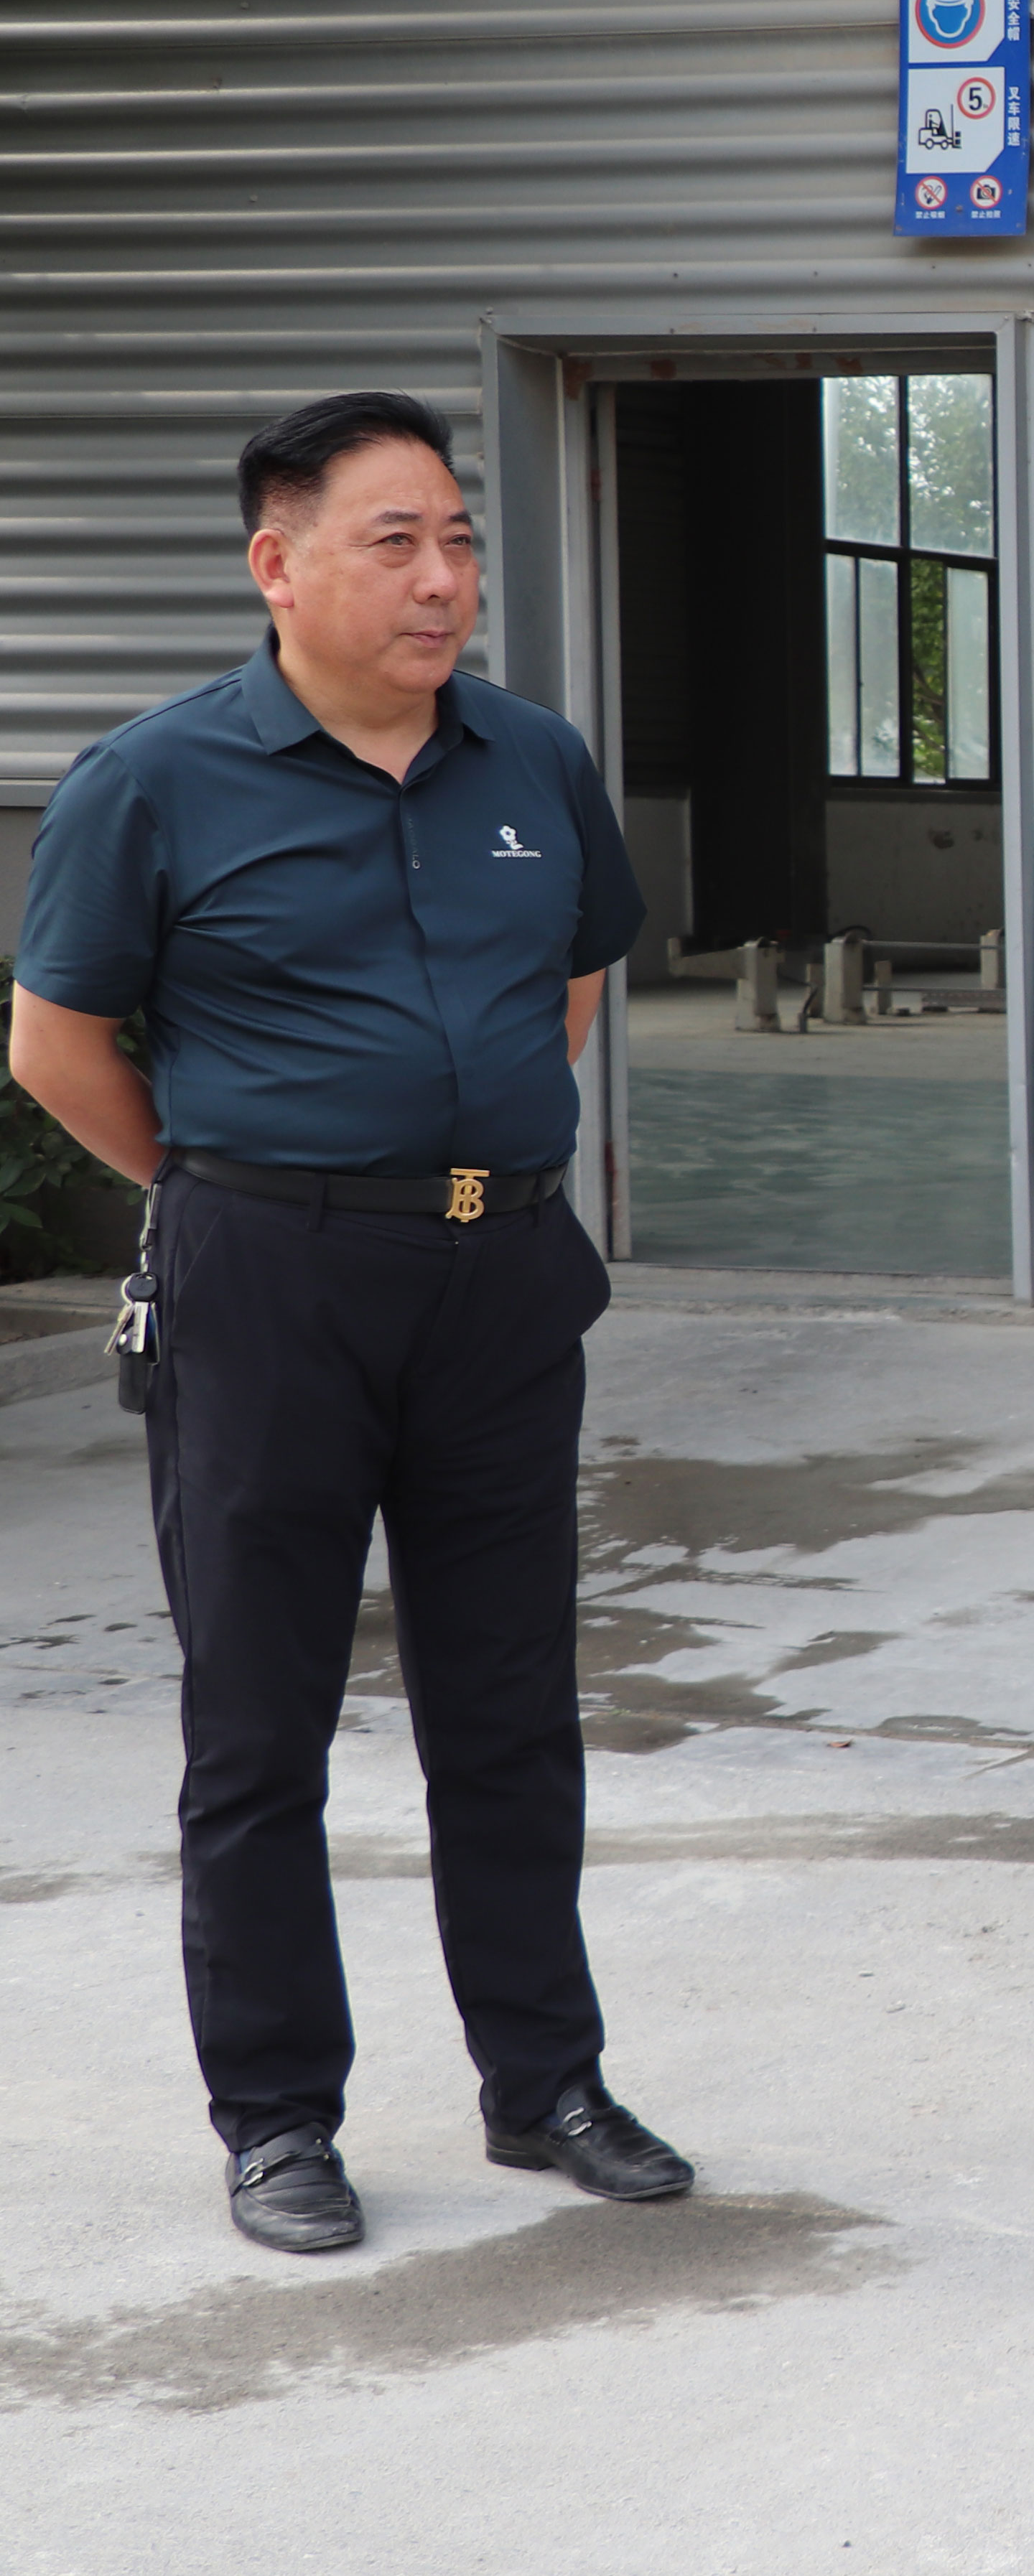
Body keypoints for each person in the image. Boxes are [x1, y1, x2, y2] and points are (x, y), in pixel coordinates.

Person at [7, 390, 691, 2255]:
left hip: (499, 1279)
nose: (444, 577)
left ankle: (545, 2079)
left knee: (509, 1706)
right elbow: (57, 1045)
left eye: (458, 540)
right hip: (268, 1289)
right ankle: (278, 2118)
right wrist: (248, 1186)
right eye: (397, 542)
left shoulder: (533, 759)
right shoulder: (153, 780)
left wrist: (452, 1158)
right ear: (278, 563)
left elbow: (567, 986)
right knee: (260, 1721)